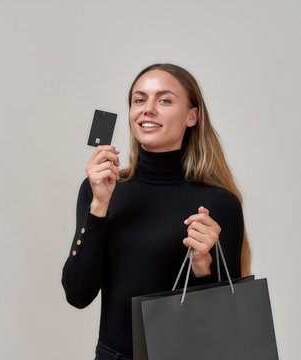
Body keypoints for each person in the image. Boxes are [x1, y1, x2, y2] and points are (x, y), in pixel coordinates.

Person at [61, 63, 252, 360]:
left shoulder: (218, 203)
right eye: (139, 99)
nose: (148, 109)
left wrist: (204, 265)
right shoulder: (100, 190)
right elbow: (77, 294)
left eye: (164, 100)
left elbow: (226, 323)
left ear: (192, 116)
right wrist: (98, 207)